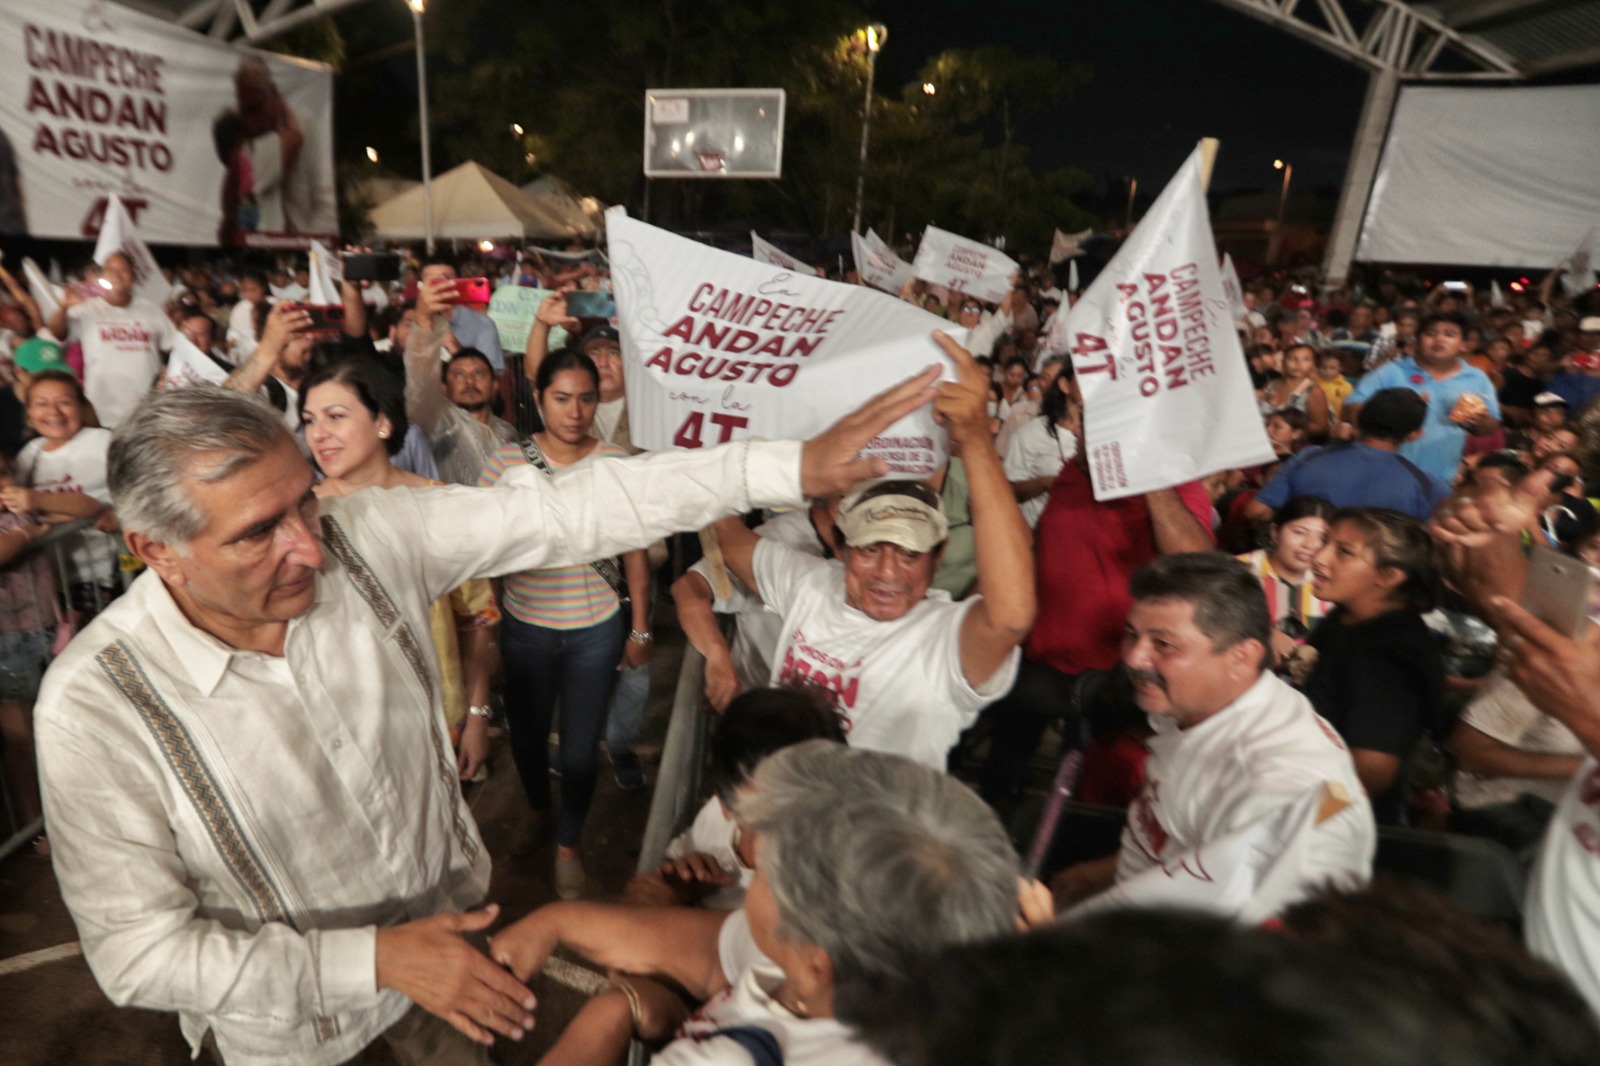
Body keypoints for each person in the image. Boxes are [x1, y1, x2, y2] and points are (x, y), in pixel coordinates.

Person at [34, 348, 942, 1062]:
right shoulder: (94, 710)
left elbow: (571, 509)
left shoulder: (373, 536)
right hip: (292, 1040)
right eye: (258, 534)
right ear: (157, 550)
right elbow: (139, 954)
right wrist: (381, 960)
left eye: (305, 505)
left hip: (465, 962)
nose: (310, 548)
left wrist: (784, 465)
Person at [486, 741, 1020, 1066]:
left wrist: (608, 1015)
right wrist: (554, 922)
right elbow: (709, 950)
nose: (753, 856)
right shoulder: (867, 973)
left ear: (815, 961)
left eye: (769, 871)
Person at [705, 334, 1035, 770]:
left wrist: (975, 441)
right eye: (869, 549)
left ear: (938, 560)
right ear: (840, 547)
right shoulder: (809, 583)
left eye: (910, 554)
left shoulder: (942, 642)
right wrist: (713, 434)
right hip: (780, 814)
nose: (887, 572)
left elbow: (1010, 616)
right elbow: (729, 540)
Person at [1050, 552, 1374, 920]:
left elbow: (1243, 957)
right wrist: (1105, 874)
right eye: (1131, 635)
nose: (1135, 658)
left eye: (1163, 644)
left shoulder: (1283, 790)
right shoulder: (1196, 708)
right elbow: (1190, 843)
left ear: (1241, 657)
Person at [478, 348, 651, 897]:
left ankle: (569, 842)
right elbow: (485, 556)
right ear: (538, 398)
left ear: (598, 401)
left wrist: (640, 629)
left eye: (585, 399)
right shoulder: (505, 465)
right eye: (561, 399)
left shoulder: (618, 463)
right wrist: (491, 635)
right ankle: (536, 807)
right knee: (528, 743)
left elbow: (635, 556)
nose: (574, 412)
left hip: (596, 631)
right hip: (524, 627)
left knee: (580, 750)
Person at [300, 356, 500, 782]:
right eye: (309, 420)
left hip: (433, 714)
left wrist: (477, 715)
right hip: (343, 726)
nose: (319, 434)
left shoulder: (438, 506)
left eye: (336, 416)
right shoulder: (302, 518)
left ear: (382, 424)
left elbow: (477, 621)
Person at [622, 684, 847, 910]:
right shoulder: (715, 821)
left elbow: (767, 941)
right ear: (725, 803)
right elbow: (682, 851)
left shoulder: (833, 893)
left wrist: (664, 916)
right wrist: (682, 877)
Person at [1302, 508, 1447, 822]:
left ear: (1389, 576)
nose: (1319, 558)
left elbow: (1371, 770)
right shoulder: (1346, 618)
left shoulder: (1387, 659)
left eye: (1343, 552)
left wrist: (1303, 822)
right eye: (1325, 542)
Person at [672, 497, 839, 711]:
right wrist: (717, 656)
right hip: (761, 709)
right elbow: (690, 589)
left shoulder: (877, 571)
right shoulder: (780, 548)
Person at [11, 370, 121, 622]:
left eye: (64, 402)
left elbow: (141, 488)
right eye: (41, 403)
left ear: (81, 407)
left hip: (104, 571)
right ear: (29, 412)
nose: (54, 412)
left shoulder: (103, 441)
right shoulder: (31, 452)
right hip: (53, 579)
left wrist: (122, 516)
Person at [1247, 387, 1449, 522]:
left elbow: (1256, 511)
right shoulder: (1428, 487)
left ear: (1359, 420)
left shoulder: (1309, 457)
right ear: (1415, 435)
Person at [1342, 312, 1500, 484]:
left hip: (1440, 476)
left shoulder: (1476, 378)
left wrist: (1479, 421)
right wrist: (1395, 414)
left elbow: (1490, 426)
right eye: (1430, 333)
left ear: (1463, 345)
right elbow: (1350, 409)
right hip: (1383, 472)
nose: (1439, 339)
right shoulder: (1392, 371)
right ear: (1417, 341)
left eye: (1449, 334)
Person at [47, 252, 174, 430]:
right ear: (102, 275)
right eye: (110, 269)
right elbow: (57, 332)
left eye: (123, 269)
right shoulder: (87, 308)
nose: (116, 274)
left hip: (147, 407)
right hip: (103, 407)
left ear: (133, 276)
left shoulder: (152, 310)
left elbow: (173, 346)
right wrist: (63, 307)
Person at [0, 450, 56, 856]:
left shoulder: (22, 509)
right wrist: (27, 537)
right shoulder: (22, 527)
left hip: (43, 630)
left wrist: (36, 503)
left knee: (50, 732)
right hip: (6, 641)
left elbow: (89, 509)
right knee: (21, 744)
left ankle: (55, 819)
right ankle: (33, 829)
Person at [1235, 496, 1333, 672]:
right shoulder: (1238, 571)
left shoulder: (1330, 584)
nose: (1309, 545)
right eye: (1299, 532)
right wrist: (1266, 634)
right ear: (1274, 532)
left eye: (1322, 538)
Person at [1003, 365, 1077, 529]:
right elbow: (1009, 490)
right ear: (1064, 385)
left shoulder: (1107, 435)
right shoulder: (1030, 434)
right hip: (1039, 538)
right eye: (1083, 376)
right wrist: (1045, 483)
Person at [420, 258, 505, 372]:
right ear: (421, 286)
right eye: (432, 281)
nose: (440, 287)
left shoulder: (482, 325)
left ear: (457, 283)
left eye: (445, 279)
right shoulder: (410, 322)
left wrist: (456, 350)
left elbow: (491, 376)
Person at [1259, 343, 1331, 438]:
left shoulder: (1314, 391)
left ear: (1313, 365)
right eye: (1293, 359)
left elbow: (1320, 427)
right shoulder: (1270, 385)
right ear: (1283, 362)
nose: (1298, 364)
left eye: (1306, 359)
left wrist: (1289, 431)